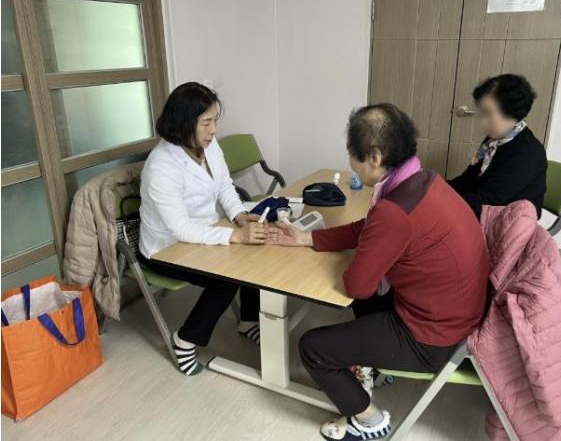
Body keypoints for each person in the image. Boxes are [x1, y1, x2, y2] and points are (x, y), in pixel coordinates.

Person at [267, 104, 490, 441]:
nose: (350, 163)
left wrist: (359, 261)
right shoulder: (423, 181)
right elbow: (370, 228)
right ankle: (374, 366)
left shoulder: (394, 210)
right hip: (457, 315)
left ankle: (369, 420)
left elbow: (357, 286)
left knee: (313, 347)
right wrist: (307, 238)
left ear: (373, 156)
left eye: (351, 155)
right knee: (363, 302)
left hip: (434, 338)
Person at [139, 82, 264, 376]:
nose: (214, 130)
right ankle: (185, 340)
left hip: (203, 231)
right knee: (225, 278)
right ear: (184, 123)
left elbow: (224, 185)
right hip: (166, 248)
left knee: (254, 251)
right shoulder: (161, 166)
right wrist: (234, 235)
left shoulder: (207, 145)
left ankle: (248, 320)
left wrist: (240, 216)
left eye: (215, 120)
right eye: (206, 122)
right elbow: (181, 229)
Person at [448, 73, 547, 219]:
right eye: (482, 113)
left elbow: (489, 200)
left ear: (512, 112)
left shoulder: (527, 153)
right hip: (482, 209)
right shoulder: (493, 140)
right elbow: (468, 179)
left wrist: (444, 203)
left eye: (488, 114)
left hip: (503, 221)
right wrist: (437, 188)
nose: (483, 122)